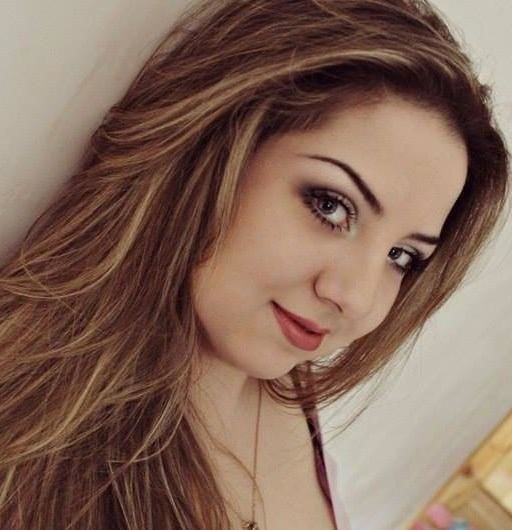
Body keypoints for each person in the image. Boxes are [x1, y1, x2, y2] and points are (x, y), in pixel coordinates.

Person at [0, 0, 509, 529]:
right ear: (218, 152)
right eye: (331, 205)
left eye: (401, 256)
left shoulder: (292, 399)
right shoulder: (31, 447)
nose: (356, 297)